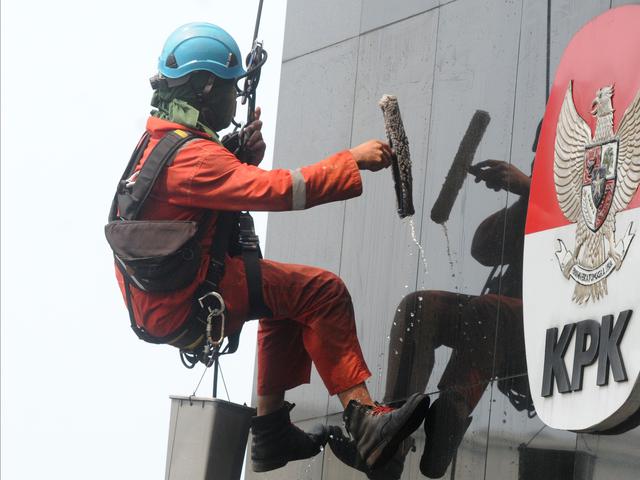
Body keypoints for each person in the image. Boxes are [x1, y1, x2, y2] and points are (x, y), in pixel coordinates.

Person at [112, 22, 429, 475]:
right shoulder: (195, 158)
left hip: (165, 301)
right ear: (205, 87)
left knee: (284, 299)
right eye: (230, 88)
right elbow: (281, 191)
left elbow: (199, 201)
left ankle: (270, 433)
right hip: (187, 302)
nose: (234, 99)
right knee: (322, 292)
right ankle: (366, 424)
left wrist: (237, 156)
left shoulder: (161, 141)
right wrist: (351, 160)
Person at [384, 153, 537, 478]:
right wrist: (530, 194)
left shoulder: (589, 187)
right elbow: (483, 247)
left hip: (559, 325)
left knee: (489, 311)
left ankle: (451, 411)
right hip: (507, 322)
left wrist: (531, 187)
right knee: (419, 308)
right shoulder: (542, 199)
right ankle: (388, 434)